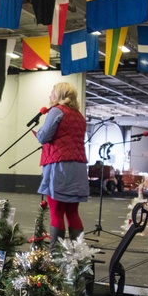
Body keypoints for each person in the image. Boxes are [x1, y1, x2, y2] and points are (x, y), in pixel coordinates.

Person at [35, 82, 89, 251]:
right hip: (78, 167)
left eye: (52, 92)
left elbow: (44, 137)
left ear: (59, 95)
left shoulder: (56, 111)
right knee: (72, 212)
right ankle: (77, 254)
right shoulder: (79, 115)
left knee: (56, 211)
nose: (50, 96)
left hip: (60, 166)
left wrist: (38, 133)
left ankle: (55, 255)